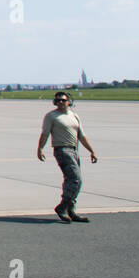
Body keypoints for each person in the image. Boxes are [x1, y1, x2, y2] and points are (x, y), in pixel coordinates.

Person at [37, 92, 97, 223]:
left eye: (63, 100)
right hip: (62, 149)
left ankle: (71, 210)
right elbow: (45, 134)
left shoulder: (74, 116)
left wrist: (91, 151)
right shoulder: (51, 116)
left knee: (71, 180)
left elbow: (81, 135)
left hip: (74, 149)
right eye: (57, 100)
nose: (60, 102)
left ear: (68, 101)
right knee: (76, 179)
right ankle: (62, 207)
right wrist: (40, 148)